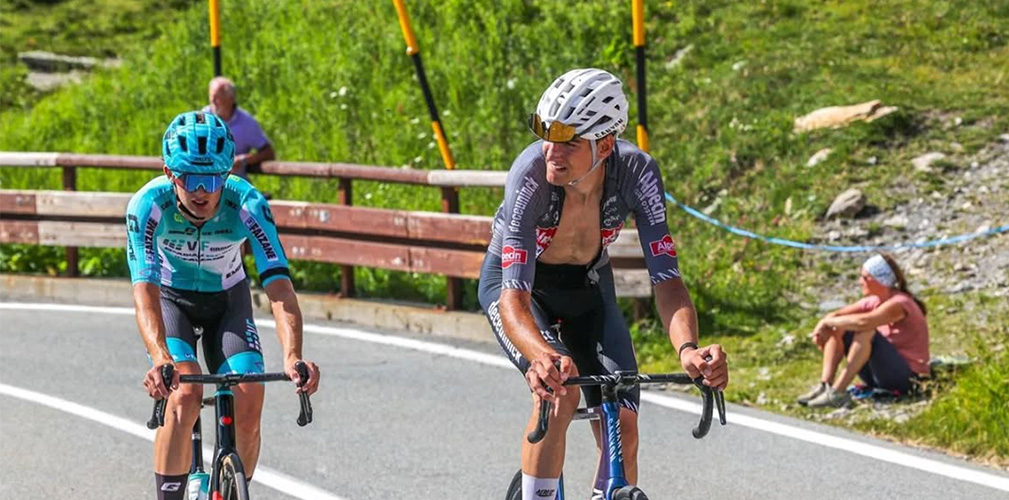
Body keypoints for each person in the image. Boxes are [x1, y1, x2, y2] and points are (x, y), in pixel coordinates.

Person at [477, 68, 729, 499]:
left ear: (605, 144)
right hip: (519, 289)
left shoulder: (637, 173)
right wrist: (540, 355)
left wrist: (689, 349)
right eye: (545, 133)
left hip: (589, 286)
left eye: (568, 140)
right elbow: (512, 297)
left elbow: (667, 280)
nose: (551, 151)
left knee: (623, 417)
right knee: (557, 397)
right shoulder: (531, 175)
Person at [127, 110, 320, 500]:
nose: (203, 191)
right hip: (171, 299)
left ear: (228, 172)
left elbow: (279, 287)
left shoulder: (246, 202)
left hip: (227, 301)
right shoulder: (147, 205)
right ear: (169, 173)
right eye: (191, 179)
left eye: (214, 178)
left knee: (249, 397)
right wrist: (160, 356)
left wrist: (294, 355)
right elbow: (144, 291)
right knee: (183, 394)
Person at [798, 253, 930, 408]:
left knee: (865, 330)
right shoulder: (874, 301)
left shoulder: (899, 303)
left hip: (907, 379)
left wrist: (828, 322)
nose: (860, 282)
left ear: (880, 280)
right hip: (880, 374)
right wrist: (824, 326)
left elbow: (863, 322)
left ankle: (837, 393)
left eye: (864, 277)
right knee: (838, 327)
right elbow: (836, 315)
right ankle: (825, 385)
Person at [204, 76, 275, 179]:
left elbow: (268, 153)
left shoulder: (246, 123)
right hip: (203, 185)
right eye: (211, 97)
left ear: (231, 99)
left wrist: (243, 160)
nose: (213, 101)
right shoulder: (202, 119)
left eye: (217, 98)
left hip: (234, 187)